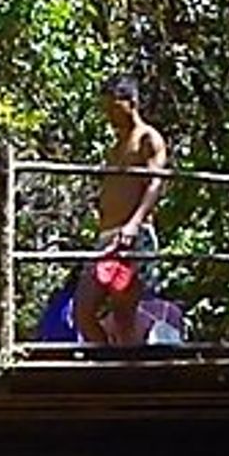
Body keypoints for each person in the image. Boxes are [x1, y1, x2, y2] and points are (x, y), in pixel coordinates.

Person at [70, 76, 171, 350]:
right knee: (82, 311)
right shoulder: (116, 147)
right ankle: (107, 364)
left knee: (123, 311)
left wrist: (133, 224)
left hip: (133, 235)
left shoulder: (148, 138)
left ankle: (127, 376)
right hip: (107, 237)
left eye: (115, 108)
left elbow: (156, 183)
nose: (110, 115)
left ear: (132, 103)